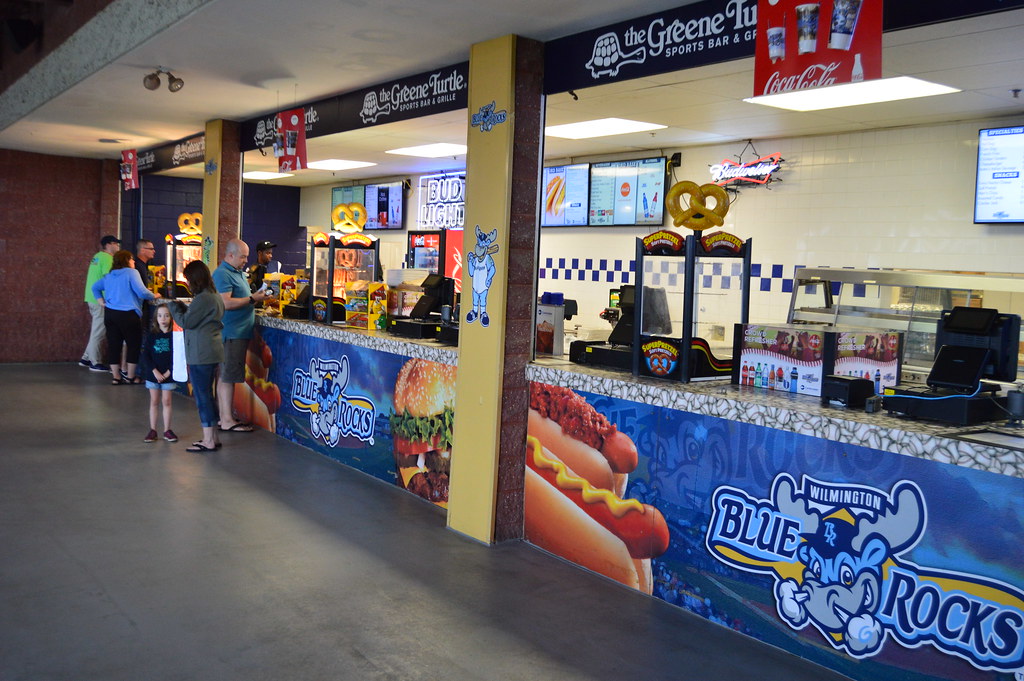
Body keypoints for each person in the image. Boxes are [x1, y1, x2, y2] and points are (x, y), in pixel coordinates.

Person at [213, 239, 274, 432]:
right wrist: (252, 298)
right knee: (228, 376)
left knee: (226, 376)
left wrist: (257, 298)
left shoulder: (236, 272)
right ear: (230, 255)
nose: (246, 260)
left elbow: (242, 300)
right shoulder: (223, 274)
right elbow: (226, 303)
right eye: (243, 256)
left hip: (237, 332)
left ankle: (225, 417)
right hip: (231, 333)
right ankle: (227, 419)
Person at [168, 260, 225, 452]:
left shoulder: (203, 298)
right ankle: (213, 437)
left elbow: (187, 322)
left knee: (202, 397)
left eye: (188, 279)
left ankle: (208, 440)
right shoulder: (214, 296)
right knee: (208, 395)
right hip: (211, 350)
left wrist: (174, 307)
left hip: (201, 352)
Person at [92, 250, 156, 385]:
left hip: (110, 314)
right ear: (126, 260)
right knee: (133, 345)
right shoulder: (132, 273)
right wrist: (154, 295)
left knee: (114, 345)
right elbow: (142, 292)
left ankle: (116, 377)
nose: (134, 262)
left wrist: (100, 300)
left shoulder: (109, 275)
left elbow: (95, 287)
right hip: (129, 315)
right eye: (132, 259)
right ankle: (130, 376)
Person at [81, 235, 120, 372]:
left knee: (96, 329)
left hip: (91, 298)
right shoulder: (108, 258)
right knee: (98, 332)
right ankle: (95, 362)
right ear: (109, 244)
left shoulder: (97, 256)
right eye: (116, 244)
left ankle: (86, 358)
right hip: (101, 300)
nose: (118, 247)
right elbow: (108, 279)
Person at [140, 304, 178, 443]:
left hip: (168, 375)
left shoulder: (174, 335)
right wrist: (154, 371)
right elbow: (146, 355)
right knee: (154, 401)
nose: (163, 318)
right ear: (156, 318)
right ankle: (153, 430)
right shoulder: (152, 335)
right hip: (153, 375)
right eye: (160, 315)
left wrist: (169, 372)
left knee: (167, 401)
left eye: (167, 315)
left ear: (171, 317)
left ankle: (167, 430)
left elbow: (177, 355)